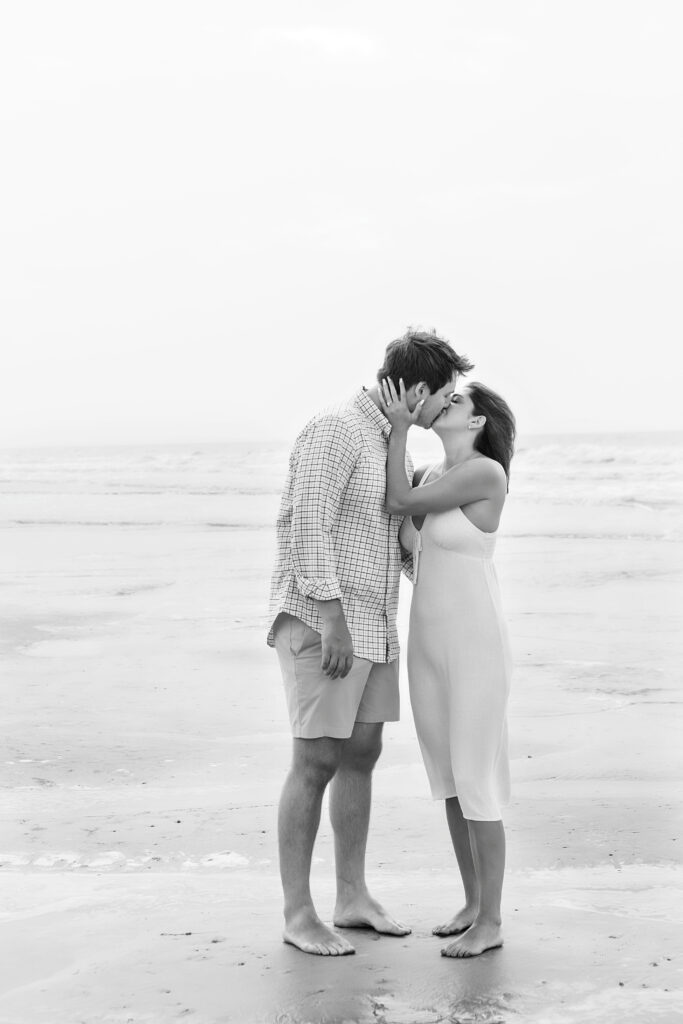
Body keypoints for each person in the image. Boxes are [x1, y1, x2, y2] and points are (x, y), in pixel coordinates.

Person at [267, 330, 473, 956]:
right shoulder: (333, 429)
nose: (441, 408)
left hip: (376, 622)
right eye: (439, 397)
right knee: (316, 760)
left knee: (361, 753)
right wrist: (330, 617)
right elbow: (310, 525)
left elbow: (395, 532)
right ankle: (298, 913)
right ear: (413, 390)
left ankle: (350, 896)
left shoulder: (389, 441)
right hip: (325, 619)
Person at [378, 376, 516, 958]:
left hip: (476, 644)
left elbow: (399, 505)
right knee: (453, 783)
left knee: (478, 780)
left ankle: (492, 920)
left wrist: (402, 426)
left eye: (456, 400)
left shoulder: (485, 473)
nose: (445, 402)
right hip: (429, 642)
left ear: (478, 421)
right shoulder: (431, 477)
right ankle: (471, 901)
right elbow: (405, 530)